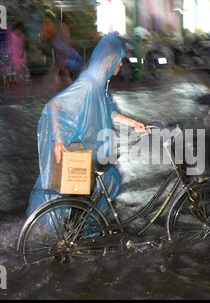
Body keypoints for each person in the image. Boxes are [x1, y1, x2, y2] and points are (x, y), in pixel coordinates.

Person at [26, 34, 146, 216]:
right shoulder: (88, 83)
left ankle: (75, 233)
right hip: (79, 149)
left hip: (89, 148)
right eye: (119, 61)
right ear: (109, 59)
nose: (121, 65)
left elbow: (109, 111)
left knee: (86, 196)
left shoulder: (98, 84)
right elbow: (55, 105)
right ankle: (72, 238)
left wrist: (134, 123)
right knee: (81, 197)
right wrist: (58, 140)